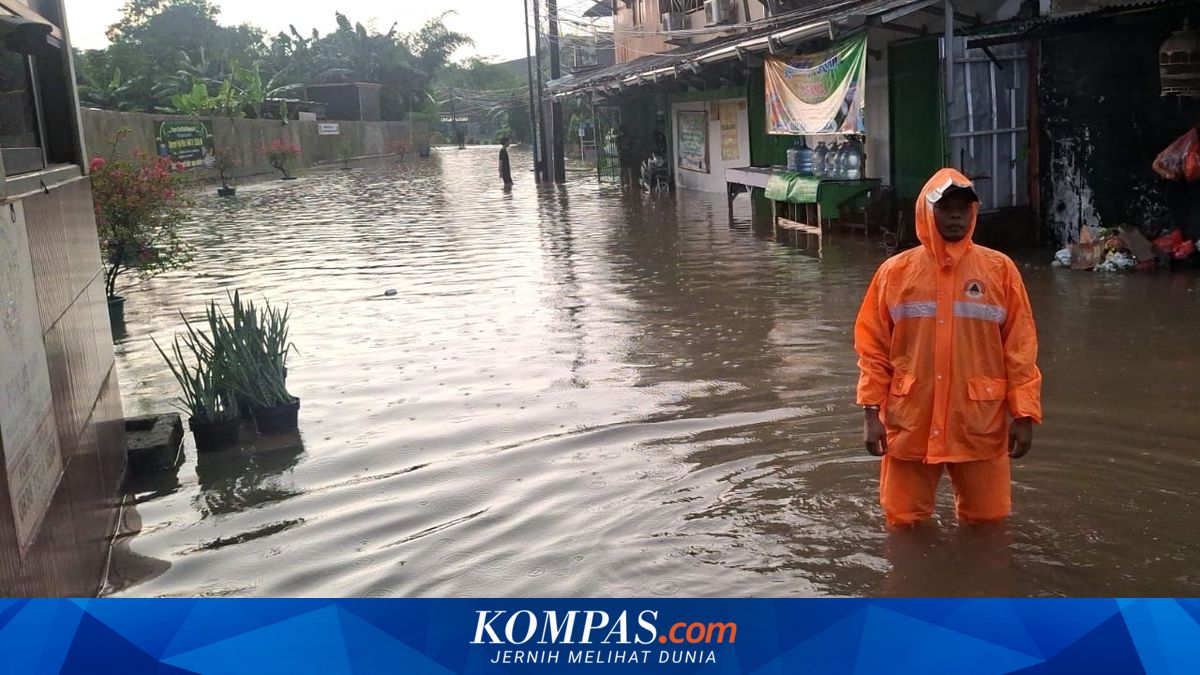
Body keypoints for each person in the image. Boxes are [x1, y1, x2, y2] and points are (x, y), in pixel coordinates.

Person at [854, 167, 1042, 528]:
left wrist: (1024, 415)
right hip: (911, 420)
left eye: (963, 207)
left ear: (974, 213)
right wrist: (870, 412)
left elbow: (1020, 348)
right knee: (903, 523)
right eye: (945, 206)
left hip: (977, 422)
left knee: (988, 523)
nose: (955, 214)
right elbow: (872, 348)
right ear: (927, 211)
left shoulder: (1000, 271)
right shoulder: (895, 273)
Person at [615, 125, 637, 189]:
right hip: (628, 155)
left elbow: (618, 147)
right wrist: (631, 150)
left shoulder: (618, 138)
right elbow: (635, 144)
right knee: (629, 170)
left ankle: (622, 184)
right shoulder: (630, 137)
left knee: (622, 170)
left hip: (622, 155)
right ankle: (631, 184)